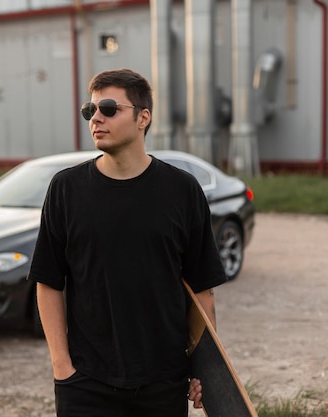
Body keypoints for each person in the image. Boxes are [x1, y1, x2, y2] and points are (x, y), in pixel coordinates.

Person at [27, 68, 227, 417]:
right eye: (90, 111)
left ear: (142, 117)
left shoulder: (182, 191)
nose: (96, 119)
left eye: (109, 108)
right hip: (86, 383)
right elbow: (48, 283)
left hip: (163, 382)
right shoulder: (66, 189)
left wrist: (203, 370)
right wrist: (63, 368)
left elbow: (202, 291)